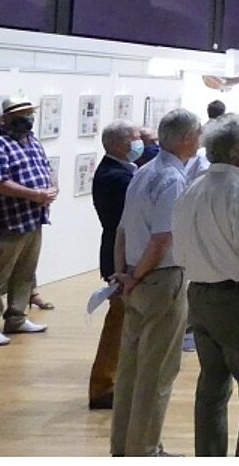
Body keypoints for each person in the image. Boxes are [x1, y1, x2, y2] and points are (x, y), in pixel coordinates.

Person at [174, 113, 239, 457]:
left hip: (199, 296)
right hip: (237, 301)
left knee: (212, 387)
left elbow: (181, 249)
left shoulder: (193, 187)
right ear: (238, 153)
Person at [111, 108, 201, 457]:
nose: (200, 140)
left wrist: (123, 274)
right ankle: (145, 450)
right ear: (186, 139)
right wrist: (136, 276)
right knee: (157, 370)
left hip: (135, 278)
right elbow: (162, 238)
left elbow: (121, 230)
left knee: (130, 369)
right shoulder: (173, 179)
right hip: (160, 279)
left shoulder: (143, 171)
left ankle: (123, 446)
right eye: (197, 134)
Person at [0, 97, 54, 346]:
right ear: (6, 118)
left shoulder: (32, 141)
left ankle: (17, 317)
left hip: (33, 219)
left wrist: (52, 187)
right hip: (8, 221)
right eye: (22, 113)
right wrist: (35, 194)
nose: (28, 118)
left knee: (25, 273)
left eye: (30, 113)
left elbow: (47, 167)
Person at [87, 120, 142, 409]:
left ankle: (117, 380)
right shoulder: (115, 177)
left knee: (125, 320)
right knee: (118, 322)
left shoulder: (122, 171)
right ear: (120, 144)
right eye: (135, 138)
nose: (140, 143)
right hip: (119, 258)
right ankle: (103, 385)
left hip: (122, 255)